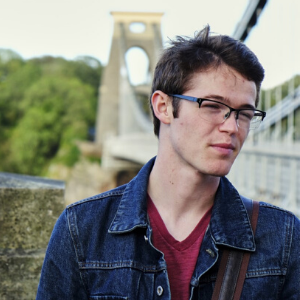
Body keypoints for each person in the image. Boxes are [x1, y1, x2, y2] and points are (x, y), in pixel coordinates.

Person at [36, 25, 300, 299]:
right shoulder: (81, 229)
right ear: (163, 107)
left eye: (244, 114)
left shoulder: (284, 237)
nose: (232, 127)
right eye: (212, 106)